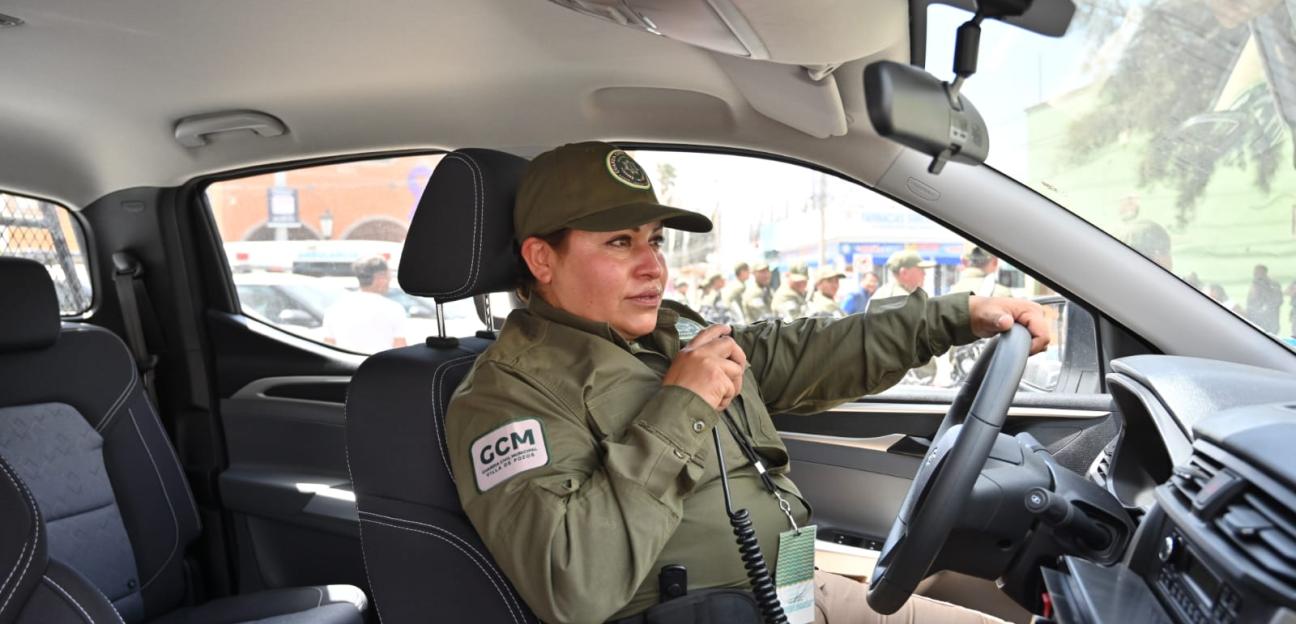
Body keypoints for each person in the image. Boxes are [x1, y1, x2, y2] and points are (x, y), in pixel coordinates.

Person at [445, 142, 1047, 624]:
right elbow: (573, 583)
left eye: (654, 239)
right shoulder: (506, 394)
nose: (653, 264)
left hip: (790, 593)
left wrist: (955, 316)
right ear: (542, 260)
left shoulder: (671, 330)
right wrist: (681, 404)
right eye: (619, 242)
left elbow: (808, 351)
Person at [321, 256, 408, 352]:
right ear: (380, 278)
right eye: (388, 276)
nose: (389, 280)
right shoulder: (393, 309)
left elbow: (328, 346)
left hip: (345, 365)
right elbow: (400, 349)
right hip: (380, 365)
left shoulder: (335, 308)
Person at [1247, 264, 1282, 334]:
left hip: (1270, 321)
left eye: (1258, 273)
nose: (1256, 275)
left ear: (1264, 273)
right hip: (1255, 319)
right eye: (1255, 273)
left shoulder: (1274, 285)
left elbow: (1278, 301)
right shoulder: (1254, 285)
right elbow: (1250, 302)